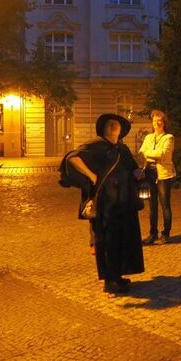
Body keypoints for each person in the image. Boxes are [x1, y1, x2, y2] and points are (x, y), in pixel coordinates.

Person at [60, 114, 145, 295]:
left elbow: (132, 169)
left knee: (122, 239)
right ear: (104, 128)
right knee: (107, 240)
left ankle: (118, 275)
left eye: (117, 124)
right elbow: (72, 158)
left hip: (123, 201)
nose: (114, 126)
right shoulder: (96, 145)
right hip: (105, 203)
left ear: (121, 130)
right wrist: (91, 176)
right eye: (110, 123)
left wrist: (138, 173)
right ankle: (109, 281)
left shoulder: (122, 149)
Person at [139, 110, 176, 245]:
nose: (156, 123)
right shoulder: (149, 137)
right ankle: (152, 233)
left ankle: (166, 234)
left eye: (159, 120)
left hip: (163, 174)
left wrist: (149, 153)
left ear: (164, 122)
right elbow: (142, 152)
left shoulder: (169, 137)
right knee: (152, 205)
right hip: (149, 172)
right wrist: (153, 154)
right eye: (154, 120)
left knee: (165, 204)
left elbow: (164, 154)